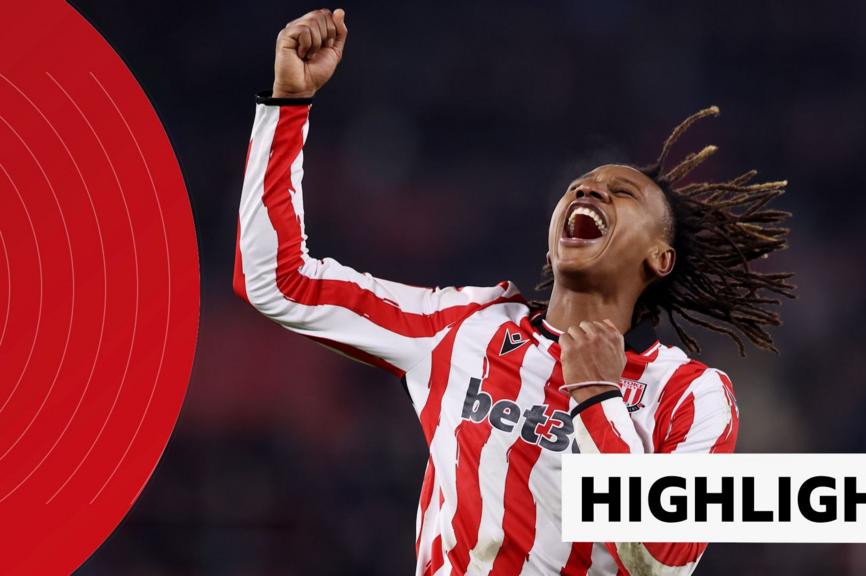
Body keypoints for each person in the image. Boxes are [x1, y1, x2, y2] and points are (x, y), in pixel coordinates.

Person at [234, 8, 793, 575]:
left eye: (621, 192)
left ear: (660, 257)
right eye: (580, 186)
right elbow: (278, 280)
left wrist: (597, 395)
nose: (589, 191)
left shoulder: (690, 393)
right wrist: (287, 105)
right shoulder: (465, 325)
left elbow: (662, 560)